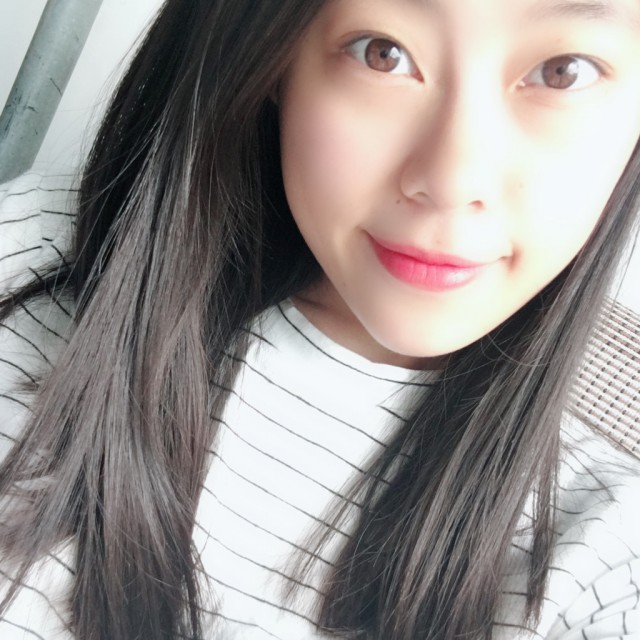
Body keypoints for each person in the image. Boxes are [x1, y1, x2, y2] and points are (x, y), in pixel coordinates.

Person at [0, 0, 639, 638]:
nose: (451, 180)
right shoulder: (28, 257)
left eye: (564, 72)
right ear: (276, 61)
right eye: (382, 53)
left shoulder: (603, 563)